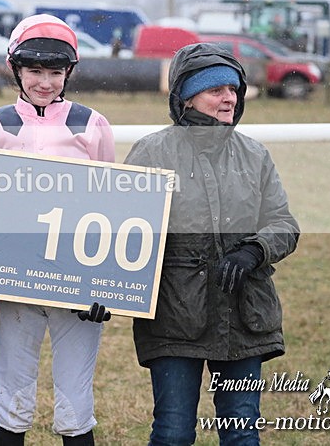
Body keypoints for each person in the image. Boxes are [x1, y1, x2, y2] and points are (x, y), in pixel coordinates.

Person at [124, 42, 300, 446]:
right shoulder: (151, 152)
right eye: (215, 90)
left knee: (241, 431)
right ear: (186, 97)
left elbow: (283, 223)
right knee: (172, 432)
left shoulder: (254, 155)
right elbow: (124, 232)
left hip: (245, 315)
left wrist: (253, 250)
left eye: (233, 90)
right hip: (174, 316)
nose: (229, 98)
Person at [0, 14, 116, 446]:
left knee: (75, 401)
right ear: (15, 69)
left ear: (69, 72)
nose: (45, 82)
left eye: (55, 72)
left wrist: (106, 284)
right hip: (14, 280)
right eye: (35, 71)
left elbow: (111, 207)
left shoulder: (92, 124)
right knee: (11, 397)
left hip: (76, 277)